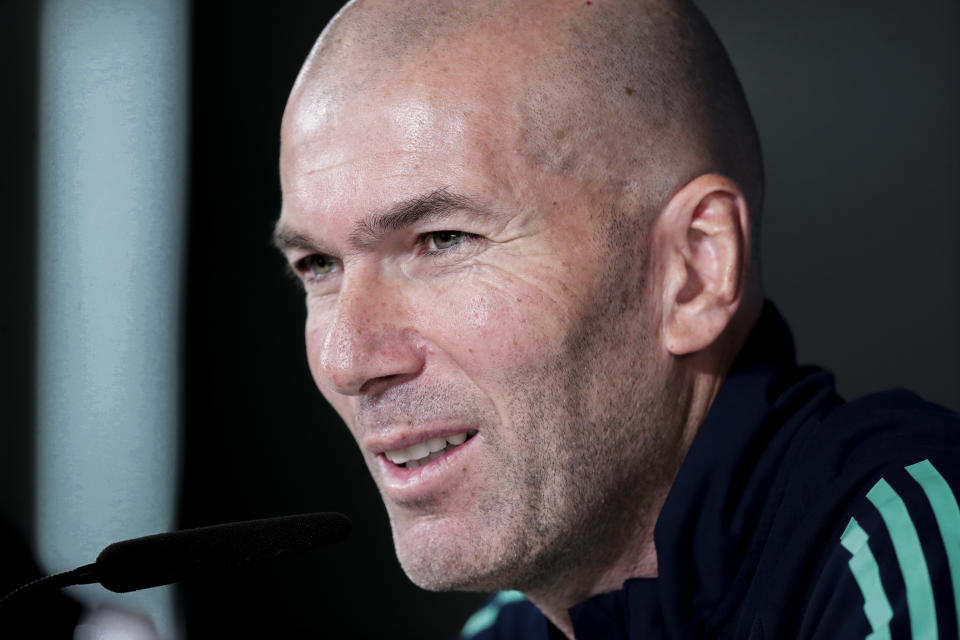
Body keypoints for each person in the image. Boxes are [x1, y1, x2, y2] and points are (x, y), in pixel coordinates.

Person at [273, 0, 960, 637]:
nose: (347, 359)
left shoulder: (917, 552)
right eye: (317, 266)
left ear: (693, 270)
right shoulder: (504, 631)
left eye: (444, 240)